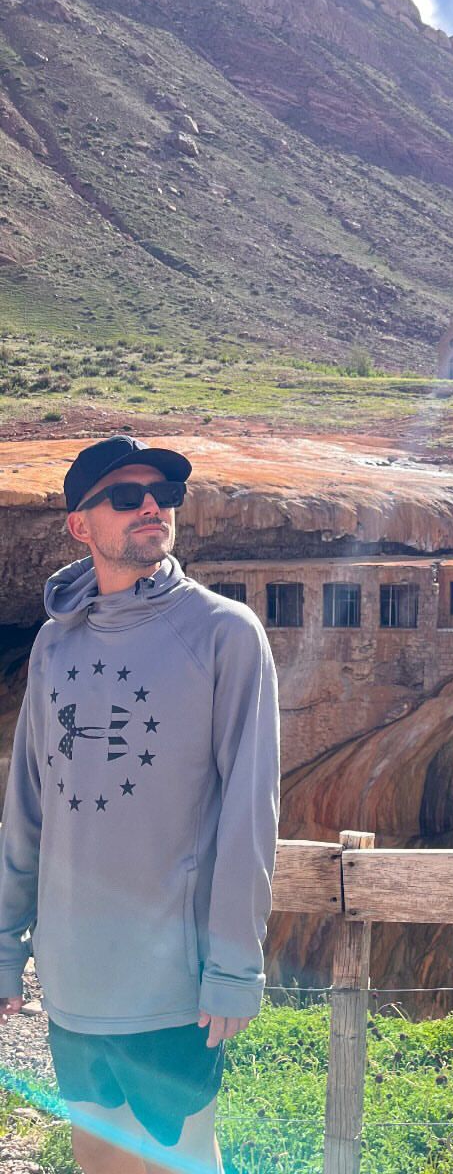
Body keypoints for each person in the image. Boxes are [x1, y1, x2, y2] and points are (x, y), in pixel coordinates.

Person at [0, 435, 280, 1173]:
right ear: (80, 525)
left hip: (171, 984)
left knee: (179, 1159)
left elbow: (250, 814)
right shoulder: (53, 645)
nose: (152, 506)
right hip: (71, 981)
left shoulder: (225, 633)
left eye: (165, 494)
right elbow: (28, 805)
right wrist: (5, 946)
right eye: (126, 496)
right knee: (97, 1157)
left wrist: (234, 967)